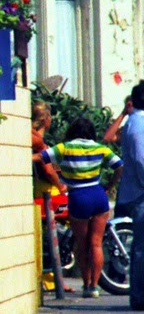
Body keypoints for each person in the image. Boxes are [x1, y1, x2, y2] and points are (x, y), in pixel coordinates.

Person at [41, 116, 122, 298]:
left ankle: (85, 284)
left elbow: (45, 158)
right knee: (96, 243)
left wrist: (61, 174)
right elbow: (119, 165)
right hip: (98, 194)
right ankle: (94, 286)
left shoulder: (66, 147)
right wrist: (110, 184)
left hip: (78, 196)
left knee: (81, 243)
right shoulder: (100, 148)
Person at [113, 81, 144, 310]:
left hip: (136, 190)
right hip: (141, 193)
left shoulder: (136, 122)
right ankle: (139, 295)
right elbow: (141, 159)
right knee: (141, 247)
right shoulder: (139, 124)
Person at [31, 101, 66, 196]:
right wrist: (61, 186)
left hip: (36, 188)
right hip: (49, 192)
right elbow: (49, 171)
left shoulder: (30, 139)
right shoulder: (40, 143)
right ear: (46, 119)